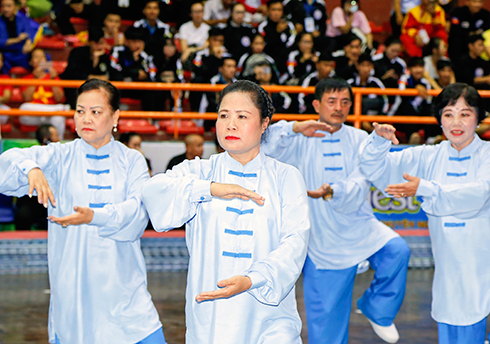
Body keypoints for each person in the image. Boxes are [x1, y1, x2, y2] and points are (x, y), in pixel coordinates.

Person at [141, 80, 310, 343]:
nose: (230, 124)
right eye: (223, 115)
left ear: (265, 123)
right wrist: (210, 189)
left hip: (269, 311)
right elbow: (154, 192)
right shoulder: (199, 171)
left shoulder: (285, 177)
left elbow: (295, 243)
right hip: (212, 313)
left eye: (242, 116)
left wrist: (253, 279)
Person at [0, 79, 165, 343]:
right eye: (80, 111)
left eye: (96, 112)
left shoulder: (131, 160)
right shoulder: (59, 157)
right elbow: (7, 163)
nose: (86, 118)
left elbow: (137, 214)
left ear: (115, 116)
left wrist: (94, 217)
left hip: (124, 290)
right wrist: (31, 168)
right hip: (74, 292)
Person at [262, 77, 410, 344]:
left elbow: (364, 178)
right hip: (321, 236)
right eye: (331, 101)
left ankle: (377, 309)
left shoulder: (359, 138)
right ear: (317, 104)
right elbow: (263, 144)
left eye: (344, 102)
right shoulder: (299, 136)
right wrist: (295, 127)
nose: (338, 107)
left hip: (359, 224)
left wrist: (334, 191)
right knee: (327, 325)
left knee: (397, 250)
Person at [359, 82, 490, 344]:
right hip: (447, 267)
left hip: (481, 264)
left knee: (475, 316)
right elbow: (378, 172)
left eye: (465, 114)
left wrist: (426, 188)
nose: (457, 122)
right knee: (449, 318)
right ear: (439, 119)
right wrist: (378, 142)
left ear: (479, 119)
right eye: (448, 113)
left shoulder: (487, 156)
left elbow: (478, 193)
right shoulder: (428, 156)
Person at [14, 124, 60, 231]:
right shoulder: (31, 154)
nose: (59, 139)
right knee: (23, 215)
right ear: (47, 139)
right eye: (56, 136)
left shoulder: (62, 154)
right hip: (33, 200)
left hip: (54, 200)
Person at [19, 48, 68, 139]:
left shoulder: (53, 77)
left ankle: (59, 146)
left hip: (50, 115)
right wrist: (35, 79)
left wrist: (53, 80)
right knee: (23, 108)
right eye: (36, 57)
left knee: (59, 119)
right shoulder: (26, 78)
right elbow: (27, 98)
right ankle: (58, 109)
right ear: (31, 62)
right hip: (33, 115)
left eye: (42, 57)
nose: (40, 60)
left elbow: (59, 98)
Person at [0, 0, 41, 72]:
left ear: (15, 7)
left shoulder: (23, 19)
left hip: (21, 53)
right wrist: (17, 40)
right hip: (5, 54)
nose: (6, 9)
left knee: (43, 55)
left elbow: (30, 31)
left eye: (9, 6)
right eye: (3, 6)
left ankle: (50, 74)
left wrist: (29, 42)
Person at [257, 0, 297, 74]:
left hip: (285, 60)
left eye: (279, 10)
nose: (276, 13)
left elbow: (291, 44)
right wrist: (277, 33)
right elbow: (265, 47)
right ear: (268, 11)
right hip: (269, 61)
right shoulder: (263, 27)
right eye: (273, 10)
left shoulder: (288, 25)